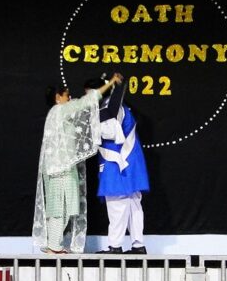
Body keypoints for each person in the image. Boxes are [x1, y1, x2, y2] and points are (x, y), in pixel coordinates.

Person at [33, 74, 123, 254]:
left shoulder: (55, 114)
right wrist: (112, 82)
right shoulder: (60, 110)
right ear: (58, 97)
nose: (70, 98)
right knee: (60, 209)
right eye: (67, 95)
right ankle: (53, 247)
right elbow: (87, 101)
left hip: (58, 168)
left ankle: (54, 245)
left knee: (62, 208)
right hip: (60, 170)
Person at [84, 77, 150, 254]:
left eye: (88, 93)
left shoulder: (110, 108)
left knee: (117, 203)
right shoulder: (113, 106)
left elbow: (111, 132)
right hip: (130, 161)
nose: (87, 98)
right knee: (133, 204)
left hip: (118, 161)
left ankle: (115, 246)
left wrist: (90, 125)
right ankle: (138, 245)